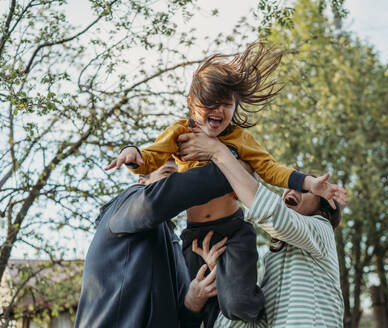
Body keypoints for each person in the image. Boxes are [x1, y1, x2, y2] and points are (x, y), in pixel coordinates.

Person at [105, 42, 344, 327]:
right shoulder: (179, 132)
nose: (219, 110)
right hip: (195, 235)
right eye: (210, 102)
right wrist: (134, 155)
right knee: (199, 305)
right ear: (192, 103)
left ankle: (251, 308)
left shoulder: (240, 141)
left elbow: (271, 170)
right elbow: (153, 155)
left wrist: (309, 182)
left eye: (227, 104)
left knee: (239, 304)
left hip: (232, 231)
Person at [177, 131, 347, 328]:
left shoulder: (321, 229)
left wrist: (219, 152)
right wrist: (222, 273)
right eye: (289, 186)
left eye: (304, 189)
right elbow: (250, 321)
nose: (290, 190)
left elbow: (272, 214)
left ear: (324, 210)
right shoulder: (272, 261)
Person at [74, 160, 234, 328]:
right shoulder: (126, 204)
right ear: (143, 182)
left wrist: (195, 300)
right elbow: (153, 201)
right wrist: (227, 166)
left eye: (181, 175)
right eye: (168, 173)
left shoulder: (173, 244)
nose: (179, 179)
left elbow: (183, 321)